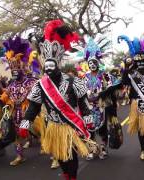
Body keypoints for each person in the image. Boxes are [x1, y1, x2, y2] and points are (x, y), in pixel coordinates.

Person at [19, 19, 96, 180]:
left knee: (71, 155)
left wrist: (88, 117)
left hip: (70, 125)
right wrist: (26, 122)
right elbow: (33, 106)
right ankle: (67, 175)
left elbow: (82, 101)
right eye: (46, 67)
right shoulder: (41, 85)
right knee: (60, 155)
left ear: (57, 65)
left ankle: (72, 177)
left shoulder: (72, 81)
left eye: (51, 67)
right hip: (53, 126)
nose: (48, 70)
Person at [0, 36, 38, 166]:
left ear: (21, 69)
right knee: (16, 136)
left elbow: (38, 96)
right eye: (12, 71)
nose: (14, 73)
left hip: (30, 113)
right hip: (15, 113)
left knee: (40, 131)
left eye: (16, 71)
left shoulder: (31, 82)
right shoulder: (11, 84)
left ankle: (54, 155)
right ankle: (20, 156)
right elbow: (5, 96)